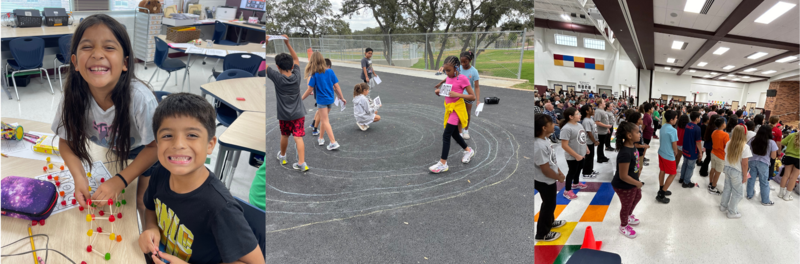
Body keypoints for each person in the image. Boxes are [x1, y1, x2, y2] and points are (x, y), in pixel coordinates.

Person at [51, 14, 158, 226]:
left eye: (109, 48)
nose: (98, 54)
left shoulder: (140, 99)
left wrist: (121, 180)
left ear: (125, 63)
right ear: (75, 63)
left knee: (139, 202)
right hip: (116, 148)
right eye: (87, 47)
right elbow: (66, 141)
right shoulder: (73, 97)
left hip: (144, 149)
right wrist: (79, 177)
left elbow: (155, 148)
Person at [138, 93, 264, 263]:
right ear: (158, 143)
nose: (178, 144)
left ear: (210, 145)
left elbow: (256, 262)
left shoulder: (220, 207)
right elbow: (150, 209)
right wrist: (151, 228)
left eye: (192, 135)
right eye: (167, 135)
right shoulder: (160, 172)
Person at [266, 35, 308, 171]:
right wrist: (287, 43)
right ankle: (302, 163)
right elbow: (296, 59)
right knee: (298, 137)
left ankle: (283, 156)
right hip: (298, 113)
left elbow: (263, 64)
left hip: (284, 115)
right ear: (291, 66)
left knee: (284, 135)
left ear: (277, 66)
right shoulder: (296, 76)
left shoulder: (277, 77)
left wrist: (265, 43)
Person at [429, 56, 476, 173]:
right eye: (445, 70)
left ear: (456, 68)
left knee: (446, 135)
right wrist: (439, 92)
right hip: (449, 109)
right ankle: (468, 150)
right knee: (454, 134)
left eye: (449, 70)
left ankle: (443, 163)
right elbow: (447, 90)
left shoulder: (463, 79)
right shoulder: (449, 77)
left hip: (457, 109)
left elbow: (472, 96)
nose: (447, 73)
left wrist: (458, 95)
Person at [302, 52, 347, 150]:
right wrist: (341, 97)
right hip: (330, 99)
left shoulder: (314, 74)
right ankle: (321, 138)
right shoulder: (330, 71)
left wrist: (300, 99)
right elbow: (337, 86)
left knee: (325, 121)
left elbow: (309, 89)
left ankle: (333, 142)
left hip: (321, 101)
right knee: (324, 119)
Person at [533, 114, 567, 241]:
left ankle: (550, 221)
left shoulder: (545, 140)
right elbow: (545, 169)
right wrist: (558, 177)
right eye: (551, 124)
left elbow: (551, 161)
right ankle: (542, 233)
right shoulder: (539, 146)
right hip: (545, 181)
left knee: (550, 204)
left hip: (549, 179)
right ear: (544, 128)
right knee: (548, 205)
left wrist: (558, 171)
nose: (554, 125)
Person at [436, 51, 480, 139]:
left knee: (467, 114)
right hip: (455, 96)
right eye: (461, 61)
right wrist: (441, 83)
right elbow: (449, 76)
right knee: (457, 114)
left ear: (470, 60)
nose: (463, 64)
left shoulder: (474, 71)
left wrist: (478, 100)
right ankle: (459, 132)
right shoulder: (456, 67)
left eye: (465, 62)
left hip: (466, 95)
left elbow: (477, 87)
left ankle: (466, 130)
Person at [612, 121, 643, 238]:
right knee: (626, 205)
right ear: (629, 136)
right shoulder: (625, 153)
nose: (640, 134)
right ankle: (623, 225)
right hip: (623, 185)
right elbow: (623, 176)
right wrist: (637, 183)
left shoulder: (632, 146)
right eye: (637, 132)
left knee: (638, 197)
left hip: (632, 181)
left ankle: (629, 215)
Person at [719, 126, 750, 219]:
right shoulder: (745, 146)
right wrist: (745, 175)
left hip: (727, 168)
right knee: (738, 193)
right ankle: (732, 212)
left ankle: (723, 206)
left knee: (727, 188)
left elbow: (725, 155)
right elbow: (745, 164)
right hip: (736, 172)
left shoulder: (729, 143)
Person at [560, 107, 589, 200]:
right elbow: (564, 145)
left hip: (581, 154)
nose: (580, 115)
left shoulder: (579, 125)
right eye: (577, 114)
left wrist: (586, 148)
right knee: (572, 172)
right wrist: (576, 155)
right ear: (571, 116)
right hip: (573, 156)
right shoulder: (566, 128)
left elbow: (583, 139)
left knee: (579, 169)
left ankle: (576, 183)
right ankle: (567, 190)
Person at [747, 125, 777, 205]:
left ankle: (749, 195)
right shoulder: (771, 142)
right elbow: (773, 156)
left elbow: (747, 150)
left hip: (751, 161)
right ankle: (765, 200)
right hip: (764, 163)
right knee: (764, 182)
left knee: (751, 178)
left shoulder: (753, 140)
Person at [656, 110, 678, 204]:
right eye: (676, 118)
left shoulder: (663, 126)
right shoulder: (673, 130)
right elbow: (674, 144)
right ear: (672, 120)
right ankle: (662, 194)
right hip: (668, 155)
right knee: (673, 173)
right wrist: (676, 152)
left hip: (661, 152)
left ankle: (661, 188)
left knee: (662, 171)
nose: (677, 120)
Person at [308, 58, 333, 136]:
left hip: (321, 95)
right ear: (328, 66)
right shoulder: (319, 72)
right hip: (321, 95)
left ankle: (313, 124)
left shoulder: (318, 71)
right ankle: (315, 129)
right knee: (321, 114)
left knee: (319, 111)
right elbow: (309, 78)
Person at [681, 112, 703, 188]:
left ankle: (682, 178)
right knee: (690, 166)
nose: (700, 119)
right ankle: (686, 182)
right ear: (697, 118)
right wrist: (700, 152)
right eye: (699, 117)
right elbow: (698, 142)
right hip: (692, 151)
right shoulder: (697, 128)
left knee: (685, 164)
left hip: (685, 148)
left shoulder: (687, 125)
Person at [709, 118, 728, 195]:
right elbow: (727, 146)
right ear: (723, 124)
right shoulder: (725, 135)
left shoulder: (714, 132)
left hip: (713, 153)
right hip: (720, 155)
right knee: (718, 171)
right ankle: (713, 187)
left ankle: (710, 183)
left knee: (712, 168)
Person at [778, 129, 799, 201]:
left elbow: (782, 142)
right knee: (793, 177)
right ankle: (787, 196)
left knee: (786, 175)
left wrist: (789, 145)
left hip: (789, 156)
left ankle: (781, 193)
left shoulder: (792, 135)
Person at [580, 105, 600, 178]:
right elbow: (589, 133)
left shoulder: (590, 119)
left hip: (591, 142)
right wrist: (595, 141)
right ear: (587, 111)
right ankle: (586, 172)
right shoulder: (586, 121)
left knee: (591, 157)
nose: (593, 110)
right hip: (588, 142)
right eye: (591, 109)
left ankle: (590, 169)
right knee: (588, 158)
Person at [769, 116, 782, 180]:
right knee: (771, 165)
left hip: (762, 149)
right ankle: (767, 180)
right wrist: (779, 154)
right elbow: (778, 144)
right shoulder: (778, 131)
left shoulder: (766, 128)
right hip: (772, 151)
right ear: (777, 122)